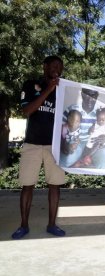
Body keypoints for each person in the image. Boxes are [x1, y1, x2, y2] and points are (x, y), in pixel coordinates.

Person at [11, 56, 66, 239]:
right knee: (27, 186)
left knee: (55, 186)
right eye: (53, 65)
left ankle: (52, 224)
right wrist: (49, 89)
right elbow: (27, 110)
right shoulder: (31, 84)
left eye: (60, 66)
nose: (57, 68)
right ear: (45, 67)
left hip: (54, 146)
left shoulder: (64, 90)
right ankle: (23, 225)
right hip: (32, 144)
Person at [60, 88, 105, 168]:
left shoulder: (100, 112)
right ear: (82, 94)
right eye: (87, 95)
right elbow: (59, 128)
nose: (90, 99)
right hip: (75, 142)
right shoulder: (72, 109)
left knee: (104, 164)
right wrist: (64, 144)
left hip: (95, 144)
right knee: (63, 163)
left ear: (97, 97)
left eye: (93, 96)